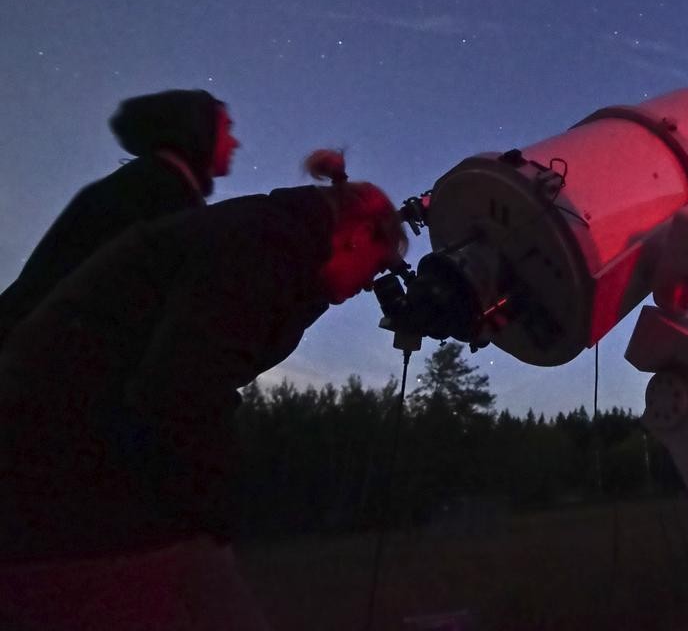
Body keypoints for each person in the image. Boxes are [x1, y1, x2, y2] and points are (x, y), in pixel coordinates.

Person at [0, 151, 405, 630]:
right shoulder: (267, 246)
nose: (370, 285)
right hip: (57, 457)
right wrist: (208, 510)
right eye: (376, 268)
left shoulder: (278, 241)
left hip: (72, 446)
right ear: (358, 234)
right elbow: (184, 385)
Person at [0, 88, 239, 349]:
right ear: (199, 129)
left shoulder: (144, 183)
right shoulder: (160, 195)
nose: (235, 142)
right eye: (227, 128)